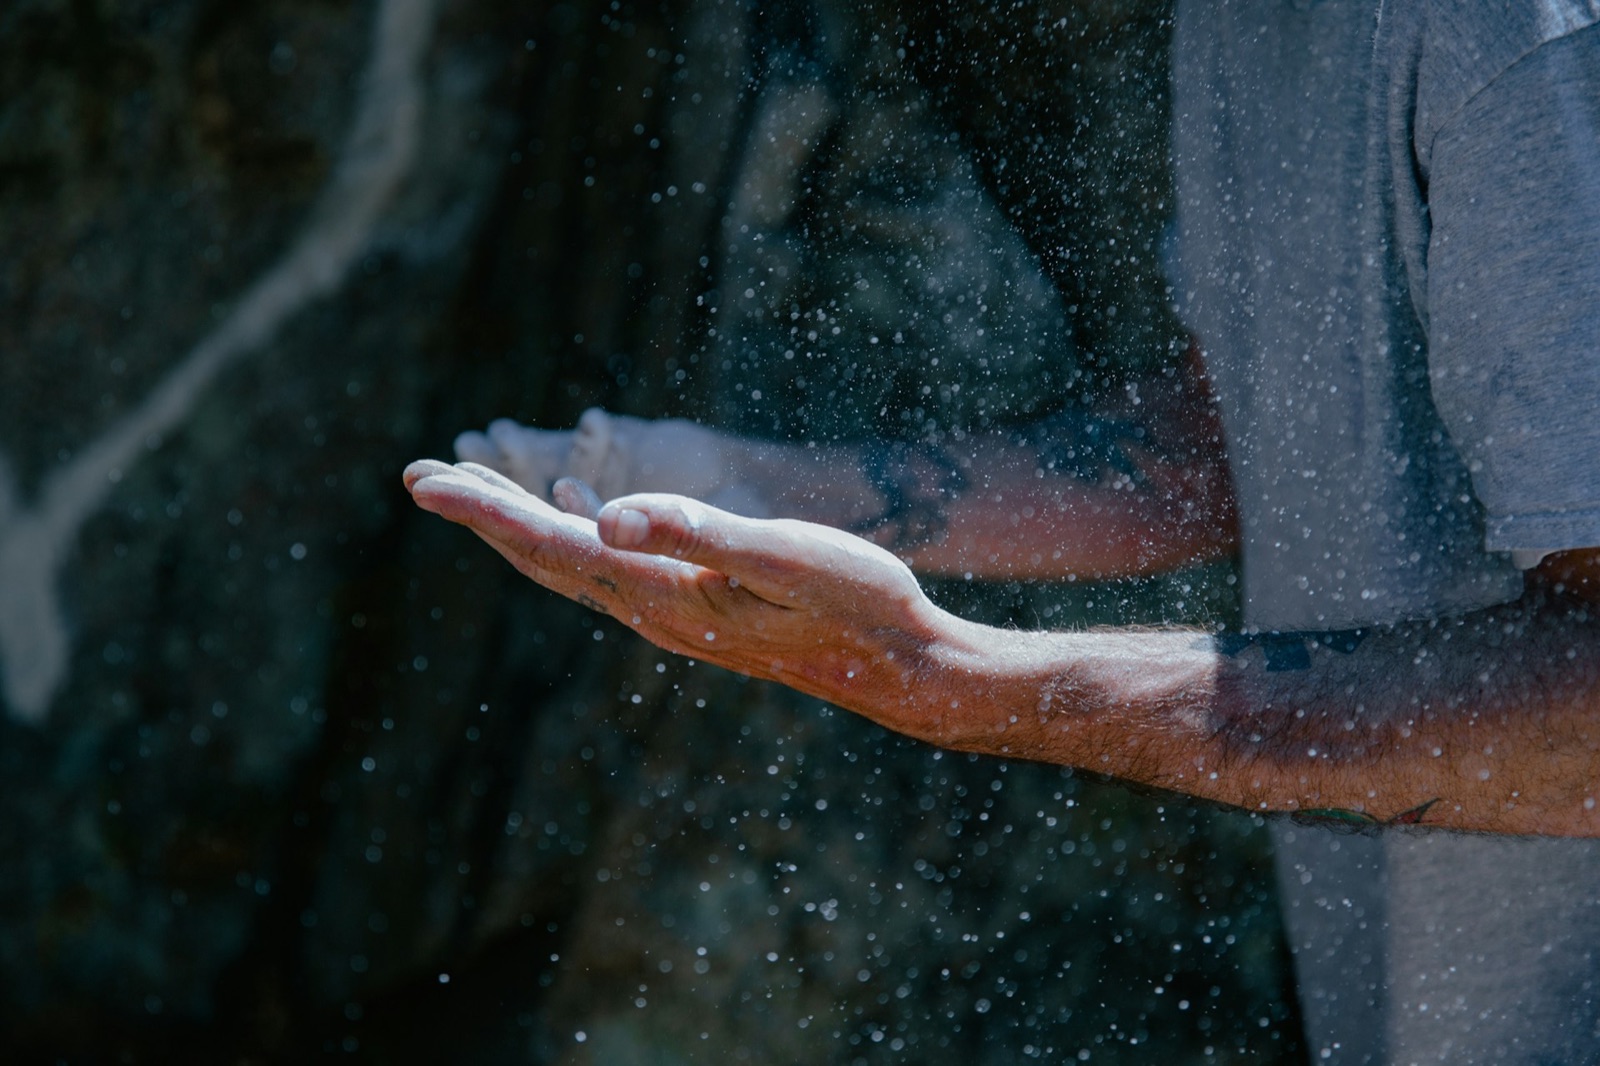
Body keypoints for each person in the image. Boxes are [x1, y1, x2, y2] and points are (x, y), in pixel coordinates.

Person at [408, 2, 1600, 1061]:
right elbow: (1234, 439)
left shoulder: (1520, 47)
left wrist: (968, 686)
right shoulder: (1243, 24)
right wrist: (755, 487)